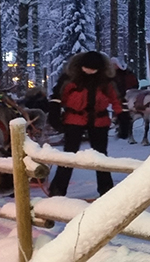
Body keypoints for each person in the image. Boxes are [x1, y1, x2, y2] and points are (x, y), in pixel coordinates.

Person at [48, 51, 124, 197]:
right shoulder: (70, 78)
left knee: (101, 157)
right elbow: (57, 97)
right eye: (87, 68)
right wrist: (54, 114)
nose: (89, 71)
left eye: (93, 69)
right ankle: (57, 191)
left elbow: (117, 100)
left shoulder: (107, 81)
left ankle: (106, 190)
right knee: (68, 157)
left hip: (99, 121)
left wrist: (122, 117)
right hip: (74, 119)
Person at [111, 58, 139, 139]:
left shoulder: (124, 75)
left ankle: (123, 131)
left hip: (126, 96)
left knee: (123, 114)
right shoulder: (115, 75)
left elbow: (132, 84)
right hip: (120, 96)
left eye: (114, 65)